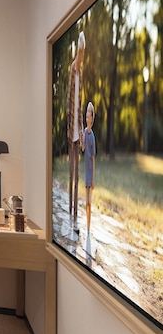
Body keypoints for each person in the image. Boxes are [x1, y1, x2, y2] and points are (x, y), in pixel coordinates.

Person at [66, 32, 85, 233]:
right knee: (71, 173)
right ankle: (70, 209)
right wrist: (70, 127)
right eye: (80, 52)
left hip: (78, 131)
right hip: (71, 129)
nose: (82, 56)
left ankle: (75, 213)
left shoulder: (81, 74)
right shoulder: (73, 70)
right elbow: (69, 101)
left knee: (78, 175)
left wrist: (81, 132)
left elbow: (79, 107)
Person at [83, 101, 96, 233]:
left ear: (92, 118)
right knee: (85, 201)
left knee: (89, 202)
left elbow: (93, 157)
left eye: (89, 115)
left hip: (90, 172)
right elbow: (82, 148)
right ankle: (86, 224)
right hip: (85, 170)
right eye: (86, 115)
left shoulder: (92, 136)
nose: (87, 117)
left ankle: (88, 226)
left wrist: (93, 179)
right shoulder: (84, 133)